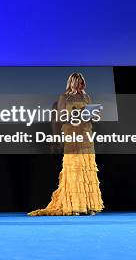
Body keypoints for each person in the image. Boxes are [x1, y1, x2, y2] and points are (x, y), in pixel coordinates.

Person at [28, 72, 104, 216]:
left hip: (86, 136)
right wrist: (76, 115)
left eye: (83, 83)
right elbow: (60, 117)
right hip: (72, 136)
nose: (82, 85)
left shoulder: (86, 97)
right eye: (80, 83)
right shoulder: (64, 98)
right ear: (73, 83)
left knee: (87, 168)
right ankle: (74, 205)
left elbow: (93, 119)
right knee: (74, 169)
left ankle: (88, 205)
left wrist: (94, 115)